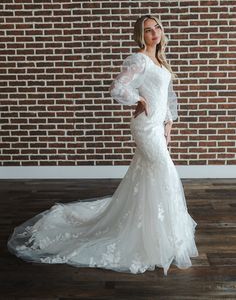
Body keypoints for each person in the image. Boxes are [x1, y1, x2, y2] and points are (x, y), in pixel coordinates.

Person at [7, 15, 198, 276]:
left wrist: (169, 124)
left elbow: (168, 97)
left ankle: (157, 231)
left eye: (158, 27)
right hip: (144, 127)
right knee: (165, 172)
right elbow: (117, 88)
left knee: (148, 175)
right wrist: (139, 99)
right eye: (148, 30)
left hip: (158, 126)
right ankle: (158, 238)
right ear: (141, 35)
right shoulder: (139, 59)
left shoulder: (160, 61)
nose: (155, 32)